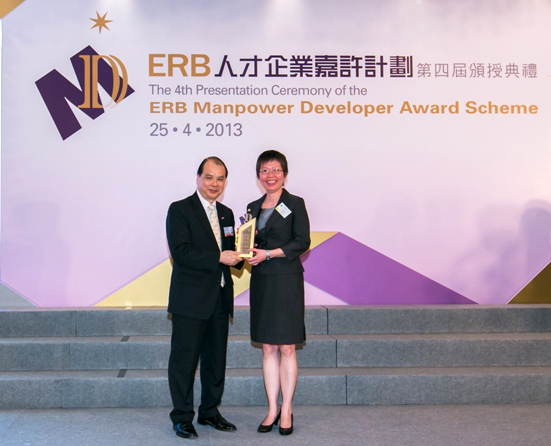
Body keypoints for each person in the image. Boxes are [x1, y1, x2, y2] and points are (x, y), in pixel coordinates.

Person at [166, 156, 242, 439]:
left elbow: (230, 252)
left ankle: (210, 411)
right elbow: (180, 252)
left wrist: (243, 253)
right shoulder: (180, 209)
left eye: (220, 179)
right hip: (190, 300)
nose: (214, 183)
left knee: (215, 361)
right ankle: (182, 417)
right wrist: (219, 257)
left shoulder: (226, 214)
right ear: (198, 178)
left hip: (220, 299)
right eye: (209, 177)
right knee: (184, 362)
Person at [245, 150, 310, 436]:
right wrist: (246, 252)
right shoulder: (252, 207)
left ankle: (287, 409)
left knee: (287, 347)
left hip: (286, 281)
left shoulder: (295, 203)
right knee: (268, 347)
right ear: (258, 175)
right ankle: (272, 408)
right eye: (264, 170)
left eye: (275, 170)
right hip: (261, 281)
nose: (270, 175)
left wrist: (269, 253)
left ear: (284, 173)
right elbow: (250, 241)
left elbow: (302, 242)